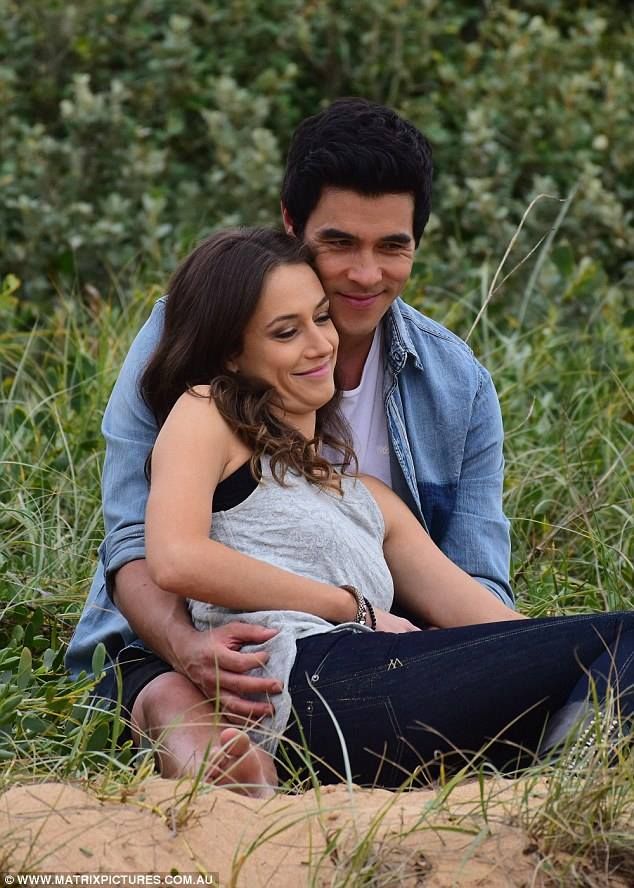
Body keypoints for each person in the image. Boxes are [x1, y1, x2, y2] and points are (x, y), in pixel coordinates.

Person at [67, 98, 513, 763]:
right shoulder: (189, 336)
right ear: (290, 225)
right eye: (340, 243)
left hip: (381, 651)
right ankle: (211, 762)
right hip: (183, 636)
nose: (366, 274)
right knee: (169, 690)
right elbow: (140, 544)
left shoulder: (458, 384)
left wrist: (493, 659)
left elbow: (477, 584)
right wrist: (187, 649)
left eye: (392, 246)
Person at [132, 227, 632, 797]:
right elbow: (175, 558)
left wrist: (560, 656)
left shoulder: (369, 497)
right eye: (286, 332)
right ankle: (578, 787)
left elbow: (495, 629)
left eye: (322, 318)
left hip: (373, 697)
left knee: (607, 655)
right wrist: (351, 607)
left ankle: (572, 784)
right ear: (232, 353)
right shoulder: (207, 414)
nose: (320, 344)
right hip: (300, 678)